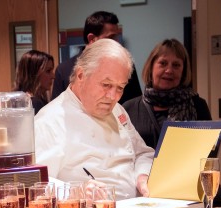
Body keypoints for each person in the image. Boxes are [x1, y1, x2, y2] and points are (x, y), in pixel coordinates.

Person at [35, 38, 154, 199]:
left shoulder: (117, 110)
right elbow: (36, 185)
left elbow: (142, 154)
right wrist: (77, 192)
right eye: (106, 85)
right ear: (81, 75)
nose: (113, 96)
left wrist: (142, 176)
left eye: (120, 87)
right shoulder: (50, 120)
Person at [122, 38, 221, 207]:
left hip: (189, 193)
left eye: (176, 65)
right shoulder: (128, 108)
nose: (169, 70)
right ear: (151, 67)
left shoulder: (197, 105)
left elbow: (208, 154)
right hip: (144, 194)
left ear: (184, 71)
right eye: (163, 63)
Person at [51, 11, 141, 104]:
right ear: (92, 38)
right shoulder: (64, 70)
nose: (116, 42)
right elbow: (58, 107)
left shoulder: (125, 66)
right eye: (111, 37)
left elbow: (135, 106)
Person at [13, 50, 55, 115]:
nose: (53, 76)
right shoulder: (34, 103)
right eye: (48, 71)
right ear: (33, 74)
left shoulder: (22, 100)